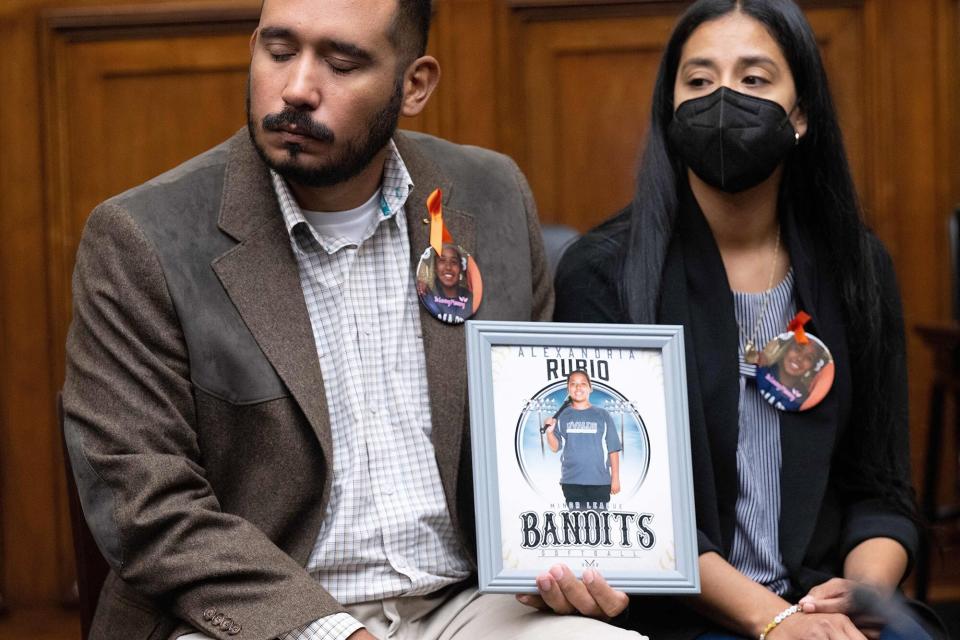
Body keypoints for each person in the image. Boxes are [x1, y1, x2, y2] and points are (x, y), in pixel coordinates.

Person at [60, 0, 644, 639]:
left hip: (464, 600)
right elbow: (146, 505)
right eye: (278, 51)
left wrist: (577, 558)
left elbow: (531, 422)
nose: (297, 89)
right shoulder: (143, 237)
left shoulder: (492, 193)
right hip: (250, 615)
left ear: (414, 85)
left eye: (341, 63)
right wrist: (332, 630)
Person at [554, 1, 945, 638]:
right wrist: (775, 620)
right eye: (700, 81)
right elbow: (629, 509)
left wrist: (859, 597)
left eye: (754, 79)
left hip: (828, 606)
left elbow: (882, 486)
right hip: (677, 613)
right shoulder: (603, 273)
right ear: (669, 110)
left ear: (800, 116)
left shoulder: (859, 266)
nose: (724, 99)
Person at [544, 370, 622, 510]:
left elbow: (613, 448)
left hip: (599, 481)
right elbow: (555, 447)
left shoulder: (602, 415)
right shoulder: (562, 415)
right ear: (568, 388)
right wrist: (549, 433)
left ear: (590, 388)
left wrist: (615, 478)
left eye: (583, 384)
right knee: (577, 527)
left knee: (599, 527)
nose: (578, 388)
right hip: (571, 481)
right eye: (573, 384)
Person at [417, 243, 474, 322]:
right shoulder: (428, 296)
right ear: (435, 268)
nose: (448, 267)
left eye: (454, 262)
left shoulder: (471, 299)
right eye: (442, 261)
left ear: (460, 268)